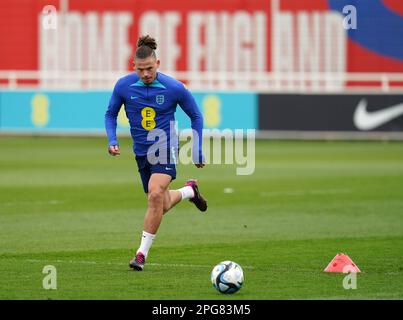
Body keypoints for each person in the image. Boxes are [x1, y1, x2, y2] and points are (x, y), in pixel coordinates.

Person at [105, 35, 207, 271]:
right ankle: (189, 191)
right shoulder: (123, 86)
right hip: (141, 151)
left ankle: (140, 255)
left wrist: (197, 148)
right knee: (159, 203)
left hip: (165, 146)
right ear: (134, 67)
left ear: (158, 63)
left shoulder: (174, 87)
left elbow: (196, 116)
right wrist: (112, 139)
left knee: (154, 195)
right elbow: (110, 114)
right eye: (140, 70)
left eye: (149, 68)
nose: (146, 74)